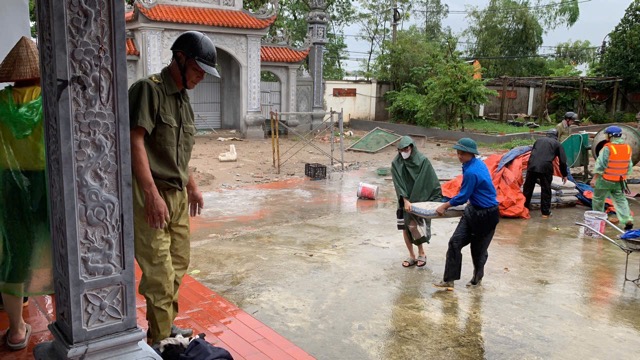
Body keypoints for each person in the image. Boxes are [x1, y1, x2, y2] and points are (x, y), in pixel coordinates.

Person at [128, 31, 219, 344]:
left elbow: (178, 152)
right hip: (150, 193)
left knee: (179, 262)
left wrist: (192, 185)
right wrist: (152, 195)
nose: (201, 78)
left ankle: (162, 328)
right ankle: (161, 339)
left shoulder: (183, 101)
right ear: (179, 58)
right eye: (197, 70)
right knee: (159, 271)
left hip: (177, 195)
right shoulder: (148, 90)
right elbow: (134, 140)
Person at [0, 36, 53, 350]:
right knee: (60, 254)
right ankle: (66, 321)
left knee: (13, 257)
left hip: (9, 189)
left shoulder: (1, 104)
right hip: (49, 188)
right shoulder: (50, 101)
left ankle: (17, 331)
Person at [433, 138, 499, 290]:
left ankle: (477, 278)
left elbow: (462, 197)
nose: (459, 156)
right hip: (472, 210)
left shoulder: (472, 171)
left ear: (471, 154)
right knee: (455, 242)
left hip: (487, 215)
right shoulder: (471, 164)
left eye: (463, 154)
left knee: (478, 250)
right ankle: (449, 280)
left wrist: (444, 206)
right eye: (458, 153)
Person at [391, 136, 442, 268]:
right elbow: (399, 184)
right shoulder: (396, 163)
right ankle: (411, 255)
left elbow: (430, 180)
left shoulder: (423, 161)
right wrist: (405, 200)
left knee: (414, 227)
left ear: (412, 147)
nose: (404, 152)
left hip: (419, 199)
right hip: (404, 200)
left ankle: (421, 252)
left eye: (406, 149)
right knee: (405, 227)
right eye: (401, 150)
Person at [590, 126, 634, 230]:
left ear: (610, 136)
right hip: (619, 180)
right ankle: (627, 219)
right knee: (620, 200)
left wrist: (594, 179)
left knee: (598, 200)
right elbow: (629, 166)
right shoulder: (627, 148)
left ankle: (598, 220)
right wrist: (624, 176)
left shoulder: (608, 148)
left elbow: (600, 165)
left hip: (605, 180)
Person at [522, 129, 568, 218]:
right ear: (556, 136)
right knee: (546, 189)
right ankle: (545, 212)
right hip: (545, 167)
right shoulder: (557, 144)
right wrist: (564, 174)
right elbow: (562, 161)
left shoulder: (538, 141)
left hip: (532, 165)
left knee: (528, 188)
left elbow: (533, 153)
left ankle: (524, 208)